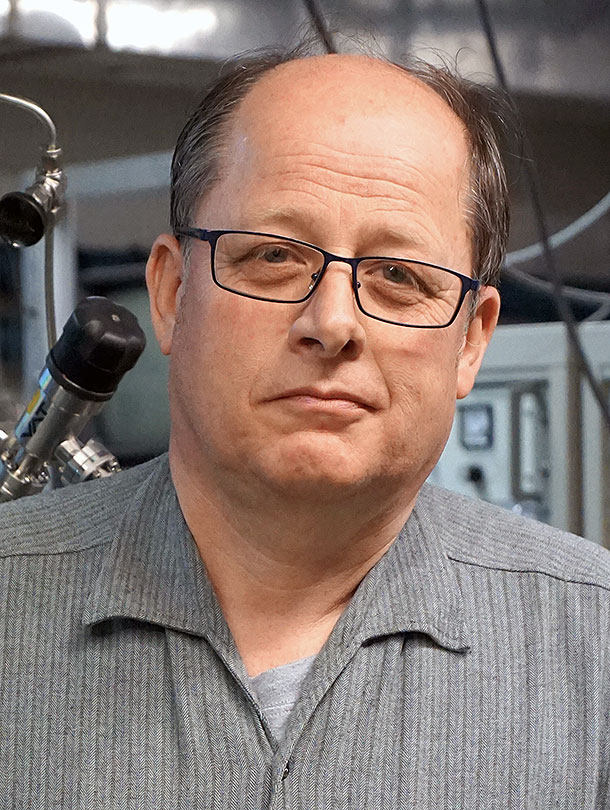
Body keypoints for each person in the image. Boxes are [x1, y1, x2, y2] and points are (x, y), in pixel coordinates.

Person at [0, 45, 608, 810]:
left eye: (399, 275)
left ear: (471, 341)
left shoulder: (594, 648)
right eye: (275, 256)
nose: (332, 323)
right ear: (172, 294)